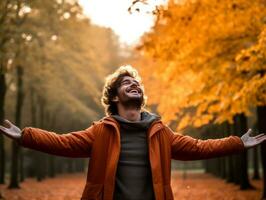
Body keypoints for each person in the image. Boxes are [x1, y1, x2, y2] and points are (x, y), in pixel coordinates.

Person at [0, 65, 265, 200]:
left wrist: (237, 144)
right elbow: (63, 143)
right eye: (126, 83)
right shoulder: (101, 131)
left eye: (136, 82)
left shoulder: (161, 132)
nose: (134, 84)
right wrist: (25, 135)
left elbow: (198, 147)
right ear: (114, 97)